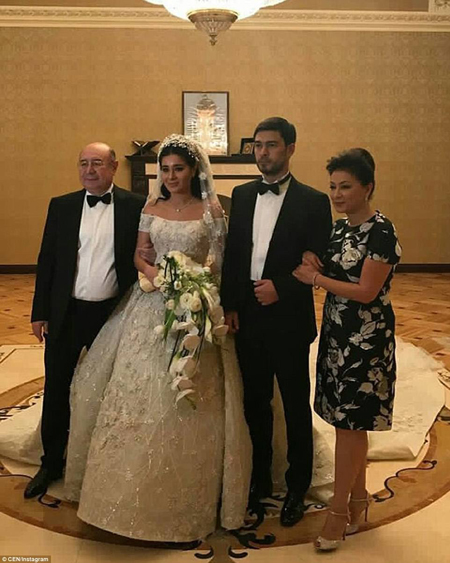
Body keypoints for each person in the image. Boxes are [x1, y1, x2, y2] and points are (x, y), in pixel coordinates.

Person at [63, 134, 252, 543]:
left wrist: (193, 281)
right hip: (150, 305)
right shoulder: (151, 207)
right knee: (135, 389)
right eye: (165, 170)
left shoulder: (211, 210)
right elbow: (140, 254)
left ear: (193, 170)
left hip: (194, 307)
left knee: (187, 390)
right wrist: (158, 275)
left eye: (178, 169)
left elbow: (219, 261)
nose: (170, 177)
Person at [221, 117, 332, 527]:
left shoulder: (314, 201)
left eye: (271, 145)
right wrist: (231, 304)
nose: (263, 152)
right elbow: (235, 253)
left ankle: (297, 487)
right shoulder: (242, 194)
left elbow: (319, 259)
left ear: (290, 148)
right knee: (255, 402)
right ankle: (260, 479)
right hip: (247, 316)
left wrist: (281, 288)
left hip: (287, 317)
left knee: (293, 403)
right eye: (258, 145)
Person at [293, 148, 401, 551]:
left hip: (367, 339)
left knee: (352, 423)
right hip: (338, 334)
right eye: (333, 187)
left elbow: (367, 290)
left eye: (346, 187)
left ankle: (337, 513)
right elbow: (331, 266)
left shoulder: (381, 231)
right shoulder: (339, 230)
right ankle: (358, 501)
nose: (337, 195)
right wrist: (313, 260)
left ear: (367, 187)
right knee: (347, 422)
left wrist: (316, 279)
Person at [25, 142, 145, 499]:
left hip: (113, 314)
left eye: (97, 163)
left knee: (111, 388)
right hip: (66, 312)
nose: (89, 170)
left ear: (114, 166)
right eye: (83, 164)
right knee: (57, 387)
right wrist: (40, 312)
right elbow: (47, 260)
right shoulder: (61, 206)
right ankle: (50, 462)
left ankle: (104, 459)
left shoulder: (135, 206)